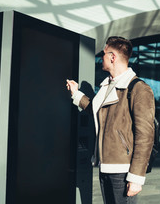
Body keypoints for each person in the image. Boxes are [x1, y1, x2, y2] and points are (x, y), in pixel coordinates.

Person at [66, 36, 155, 204]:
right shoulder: (108, 85)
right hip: (105, 165)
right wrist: (76, 94)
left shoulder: (139, 89)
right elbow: (97, 109)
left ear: (113, 57)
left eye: (104, 53)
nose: (102, 57)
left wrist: (136, 177)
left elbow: (145, 136)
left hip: (123, 170)